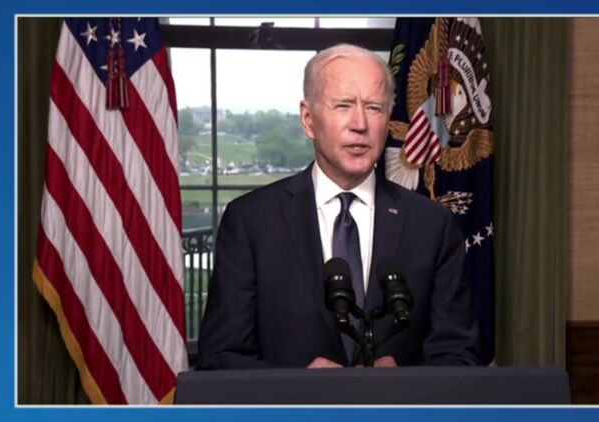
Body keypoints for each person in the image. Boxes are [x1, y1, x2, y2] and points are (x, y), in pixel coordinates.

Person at [197, 44, 480, 369]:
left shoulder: (432, 225)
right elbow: (219, 359)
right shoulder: (251, 222)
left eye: (374, 107)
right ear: (308, 120)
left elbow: (460, 356)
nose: (360, 123)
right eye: (343, 105)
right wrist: (298, 388)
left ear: (388, 120)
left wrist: (403, 383)